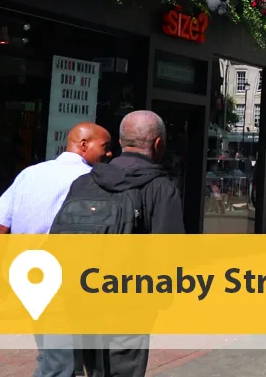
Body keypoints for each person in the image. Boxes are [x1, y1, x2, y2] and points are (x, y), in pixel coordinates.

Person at [54, 110, 185, 377]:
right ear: (158, 144)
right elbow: (168, 251)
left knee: (91, 368)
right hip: (130, 301)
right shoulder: (161, 188)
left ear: (121, 142)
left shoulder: (84, 182)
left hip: (81, 295)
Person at [0, 123, 111, 377]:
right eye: (105, 147)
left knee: (53, 351)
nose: (109, 154)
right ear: (84, 144)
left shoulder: (29, 174)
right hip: (62, 280)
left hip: (27, 277)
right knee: (59, 362)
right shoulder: (90, 181)